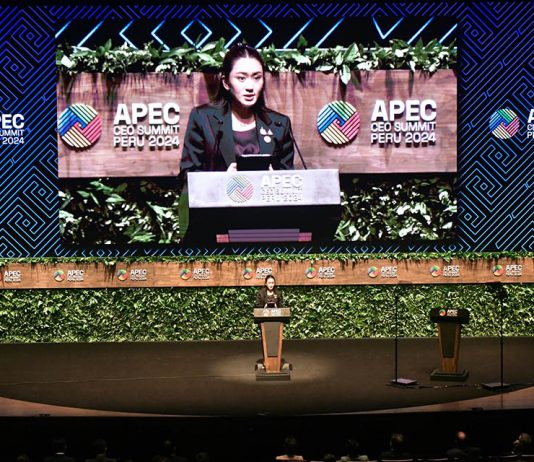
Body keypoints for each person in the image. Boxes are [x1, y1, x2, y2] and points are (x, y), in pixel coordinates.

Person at [180, 42, 295, 176]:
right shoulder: (202, 118)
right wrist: (223, 180)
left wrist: (274, 179)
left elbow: (289, 178)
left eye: (257, 77)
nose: (250, 87)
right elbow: (187, 175)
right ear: (226, 82)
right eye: (241, 78)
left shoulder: (280, 124)